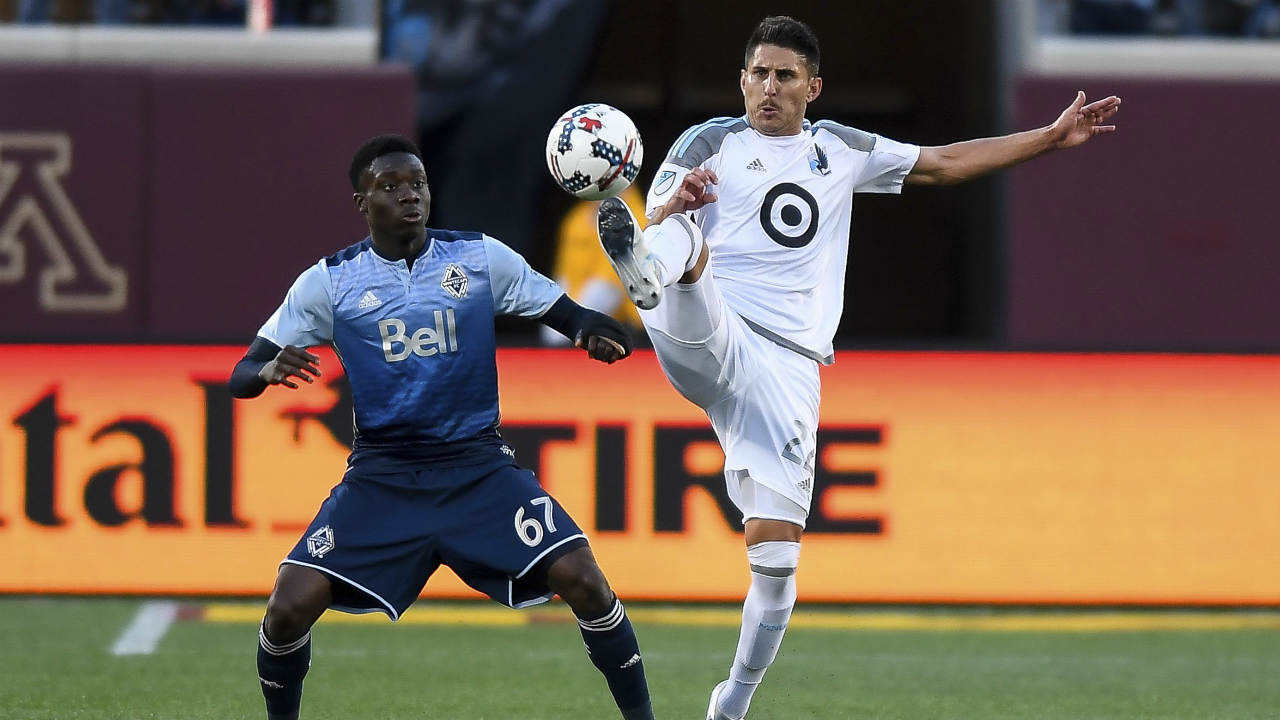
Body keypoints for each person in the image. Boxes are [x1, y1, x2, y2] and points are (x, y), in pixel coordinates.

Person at [594, 16, 1121, 720]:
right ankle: (644, 271)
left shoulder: (838, 149)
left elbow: (942, 162)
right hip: (713, 323)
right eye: (758, 73)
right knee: (682, 230)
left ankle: (731, 704)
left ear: (813, 88)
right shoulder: (711, 141)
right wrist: (670, 205)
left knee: (776, 569)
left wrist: (1049, 139)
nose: (769, 88)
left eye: (785, 76)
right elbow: (657, 205)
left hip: (787, 369)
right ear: (741, 80)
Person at [229, 134, 654, 720]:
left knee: (584, 580)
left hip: (477, 469)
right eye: (391, 186)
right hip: (384, 478)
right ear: (362, 203)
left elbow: (562, 310)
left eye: (419, 184)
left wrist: (591, 332)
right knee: (288, 606)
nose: (410, 196)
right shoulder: (329, 282)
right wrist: (268, 367)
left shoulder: (479, 258)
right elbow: (241, 373)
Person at [539, 184, 645, 347]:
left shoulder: (635, 219)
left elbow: (609, 289)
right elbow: (564, 277)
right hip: (583, 326)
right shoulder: (577, 219)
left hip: (631, 332)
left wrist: (570, 323)